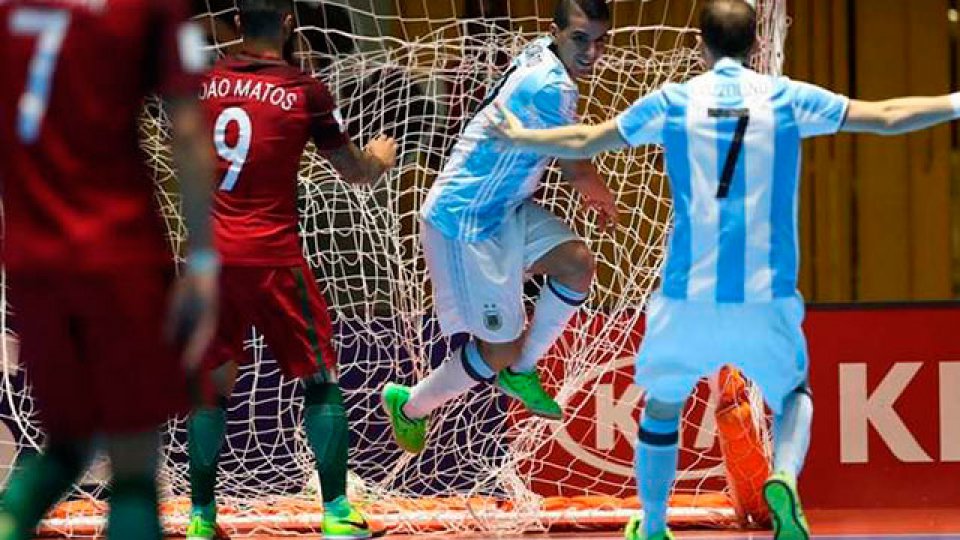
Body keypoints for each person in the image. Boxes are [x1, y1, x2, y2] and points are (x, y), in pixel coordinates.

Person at [489, 1, 960, 538]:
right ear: (756, 44)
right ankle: (782, 476)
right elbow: (886, 118)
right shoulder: (786, 97)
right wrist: (954, 100)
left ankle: (655, 522)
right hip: (766, 293)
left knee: (663, 408)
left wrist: (522, 136)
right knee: (792, 396)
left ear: (701, 45)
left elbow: (585, 139)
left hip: (688, 296)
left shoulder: (673, 102)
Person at [0, 0, 217, 538]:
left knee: (67, 444)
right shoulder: (151, 8)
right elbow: (188, 134)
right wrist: (206, 258)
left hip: (30, 257)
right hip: (118, 252)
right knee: (134, 466)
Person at [185, 1, 397, 539]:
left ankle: (202, 518)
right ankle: (336, 514)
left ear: (234, 25)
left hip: (213, 259)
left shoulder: (205, 83)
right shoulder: (305, 91)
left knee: (211, 385)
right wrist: (380, 156)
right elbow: (354, 172)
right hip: (274, 257)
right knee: (321, 378)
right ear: (287, 24)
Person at [380, 0, 618, 456]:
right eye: (580, 39)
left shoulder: (542, 55)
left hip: (505, 207)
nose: (591, 52)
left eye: (600, 40)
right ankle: (410, 405)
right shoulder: (548, 85)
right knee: (497, 351)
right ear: (557, 31)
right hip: (464, 220)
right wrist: (600, 195)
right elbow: (576, 165)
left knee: (575, 265)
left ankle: (522, 371)